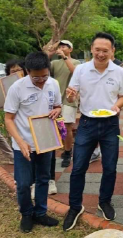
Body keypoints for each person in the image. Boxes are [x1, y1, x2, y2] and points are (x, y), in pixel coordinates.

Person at [63, 32, 123, 231]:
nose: (101, 54)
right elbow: (71, 98)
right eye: (97, 50)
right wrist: (71, 96)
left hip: (110, 124)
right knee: (78, 167)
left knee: (110, 167)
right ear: (91, 49)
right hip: (87, 123)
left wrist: (117, 106)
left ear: (112, 51)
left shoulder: (118, 72)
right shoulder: (81, 70)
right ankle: (75, 206)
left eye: (105, 50)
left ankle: (104, 200)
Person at [4, 51, 61, 233]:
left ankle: (40, 212)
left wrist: (57, 110)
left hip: (45, 141)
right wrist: (20, 142)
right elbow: (8, 119)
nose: (42, 80)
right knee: (23, 183)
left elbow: (57, 106)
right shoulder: (17, 88)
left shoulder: (53, 83)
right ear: (27, 72)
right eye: (36, 78)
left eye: (45, 75)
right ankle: (27, 214)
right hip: (24, 144)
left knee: (43, 179)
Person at [49, 40, 81, 168]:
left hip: (69, 99)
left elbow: (74, 72)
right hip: (55, 100)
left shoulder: (76, 62)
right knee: (57, 126)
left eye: (64, 46)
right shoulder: (55, 63)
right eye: (60, 47)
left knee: (67, 127)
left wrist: (64, 57)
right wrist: (50, 53)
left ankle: (68, 152)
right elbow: (44, 67)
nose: (61, 48)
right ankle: (65, 148)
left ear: (70, 49)